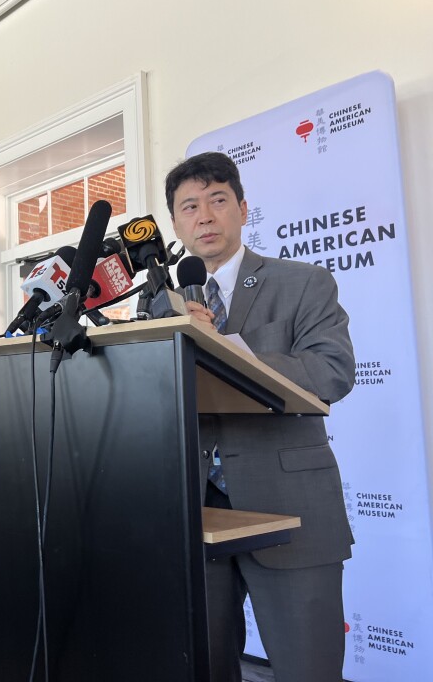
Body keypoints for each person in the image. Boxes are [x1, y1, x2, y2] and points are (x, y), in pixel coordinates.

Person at [166, 152, 355, 682]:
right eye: (189, 207)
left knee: (308, 669)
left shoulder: (304, 282)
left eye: (217, 200)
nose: (205, 216)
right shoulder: (162, 307)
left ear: (243, 209)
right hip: (191, 508)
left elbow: (333, 371)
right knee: (201, 666)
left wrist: (225, 350)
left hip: (290, 504)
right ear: (177, 224)